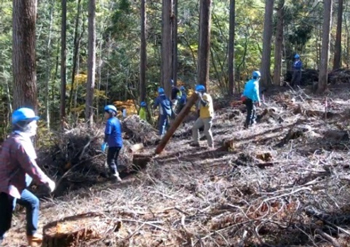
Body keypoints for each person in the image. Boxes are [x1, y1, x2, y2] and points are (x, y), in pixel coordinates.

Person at [0, 107, 56, 246]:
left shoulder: (13, 139)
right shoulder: (20, 143)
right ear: (24, 124)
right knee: (2, 226)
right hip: (7, 189)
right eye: (33, 122)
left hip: (14, 186)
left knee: (33, 202)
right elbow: (30, 166)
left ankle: (31, 236)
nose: (36, 125)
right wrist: (47, 181)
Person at [101, 105, 123, 181]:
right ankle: (116, 174)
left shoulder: (109, 122)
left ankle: (115, 176)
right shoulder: (117, 120)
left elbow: (107, 133)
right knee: (115, 159)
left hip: (113, 143)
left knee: (110, 160)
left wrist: (104, 143)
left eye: (106, 113)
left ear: (110, 113)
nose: (105, 115)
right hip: (119, 143)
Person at [191, 85, 215, 149]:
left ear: (201, 91)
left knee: (207, 130)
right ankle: (196, 143)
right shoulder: (201, 97)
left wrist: (200, 98)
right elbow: (199, 108)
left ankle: (211, 145)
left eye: (198, 92)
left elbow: (205, 105)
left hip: (207, 116)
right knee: (194, 128)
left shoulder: (206, 96)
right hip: (202, 116)